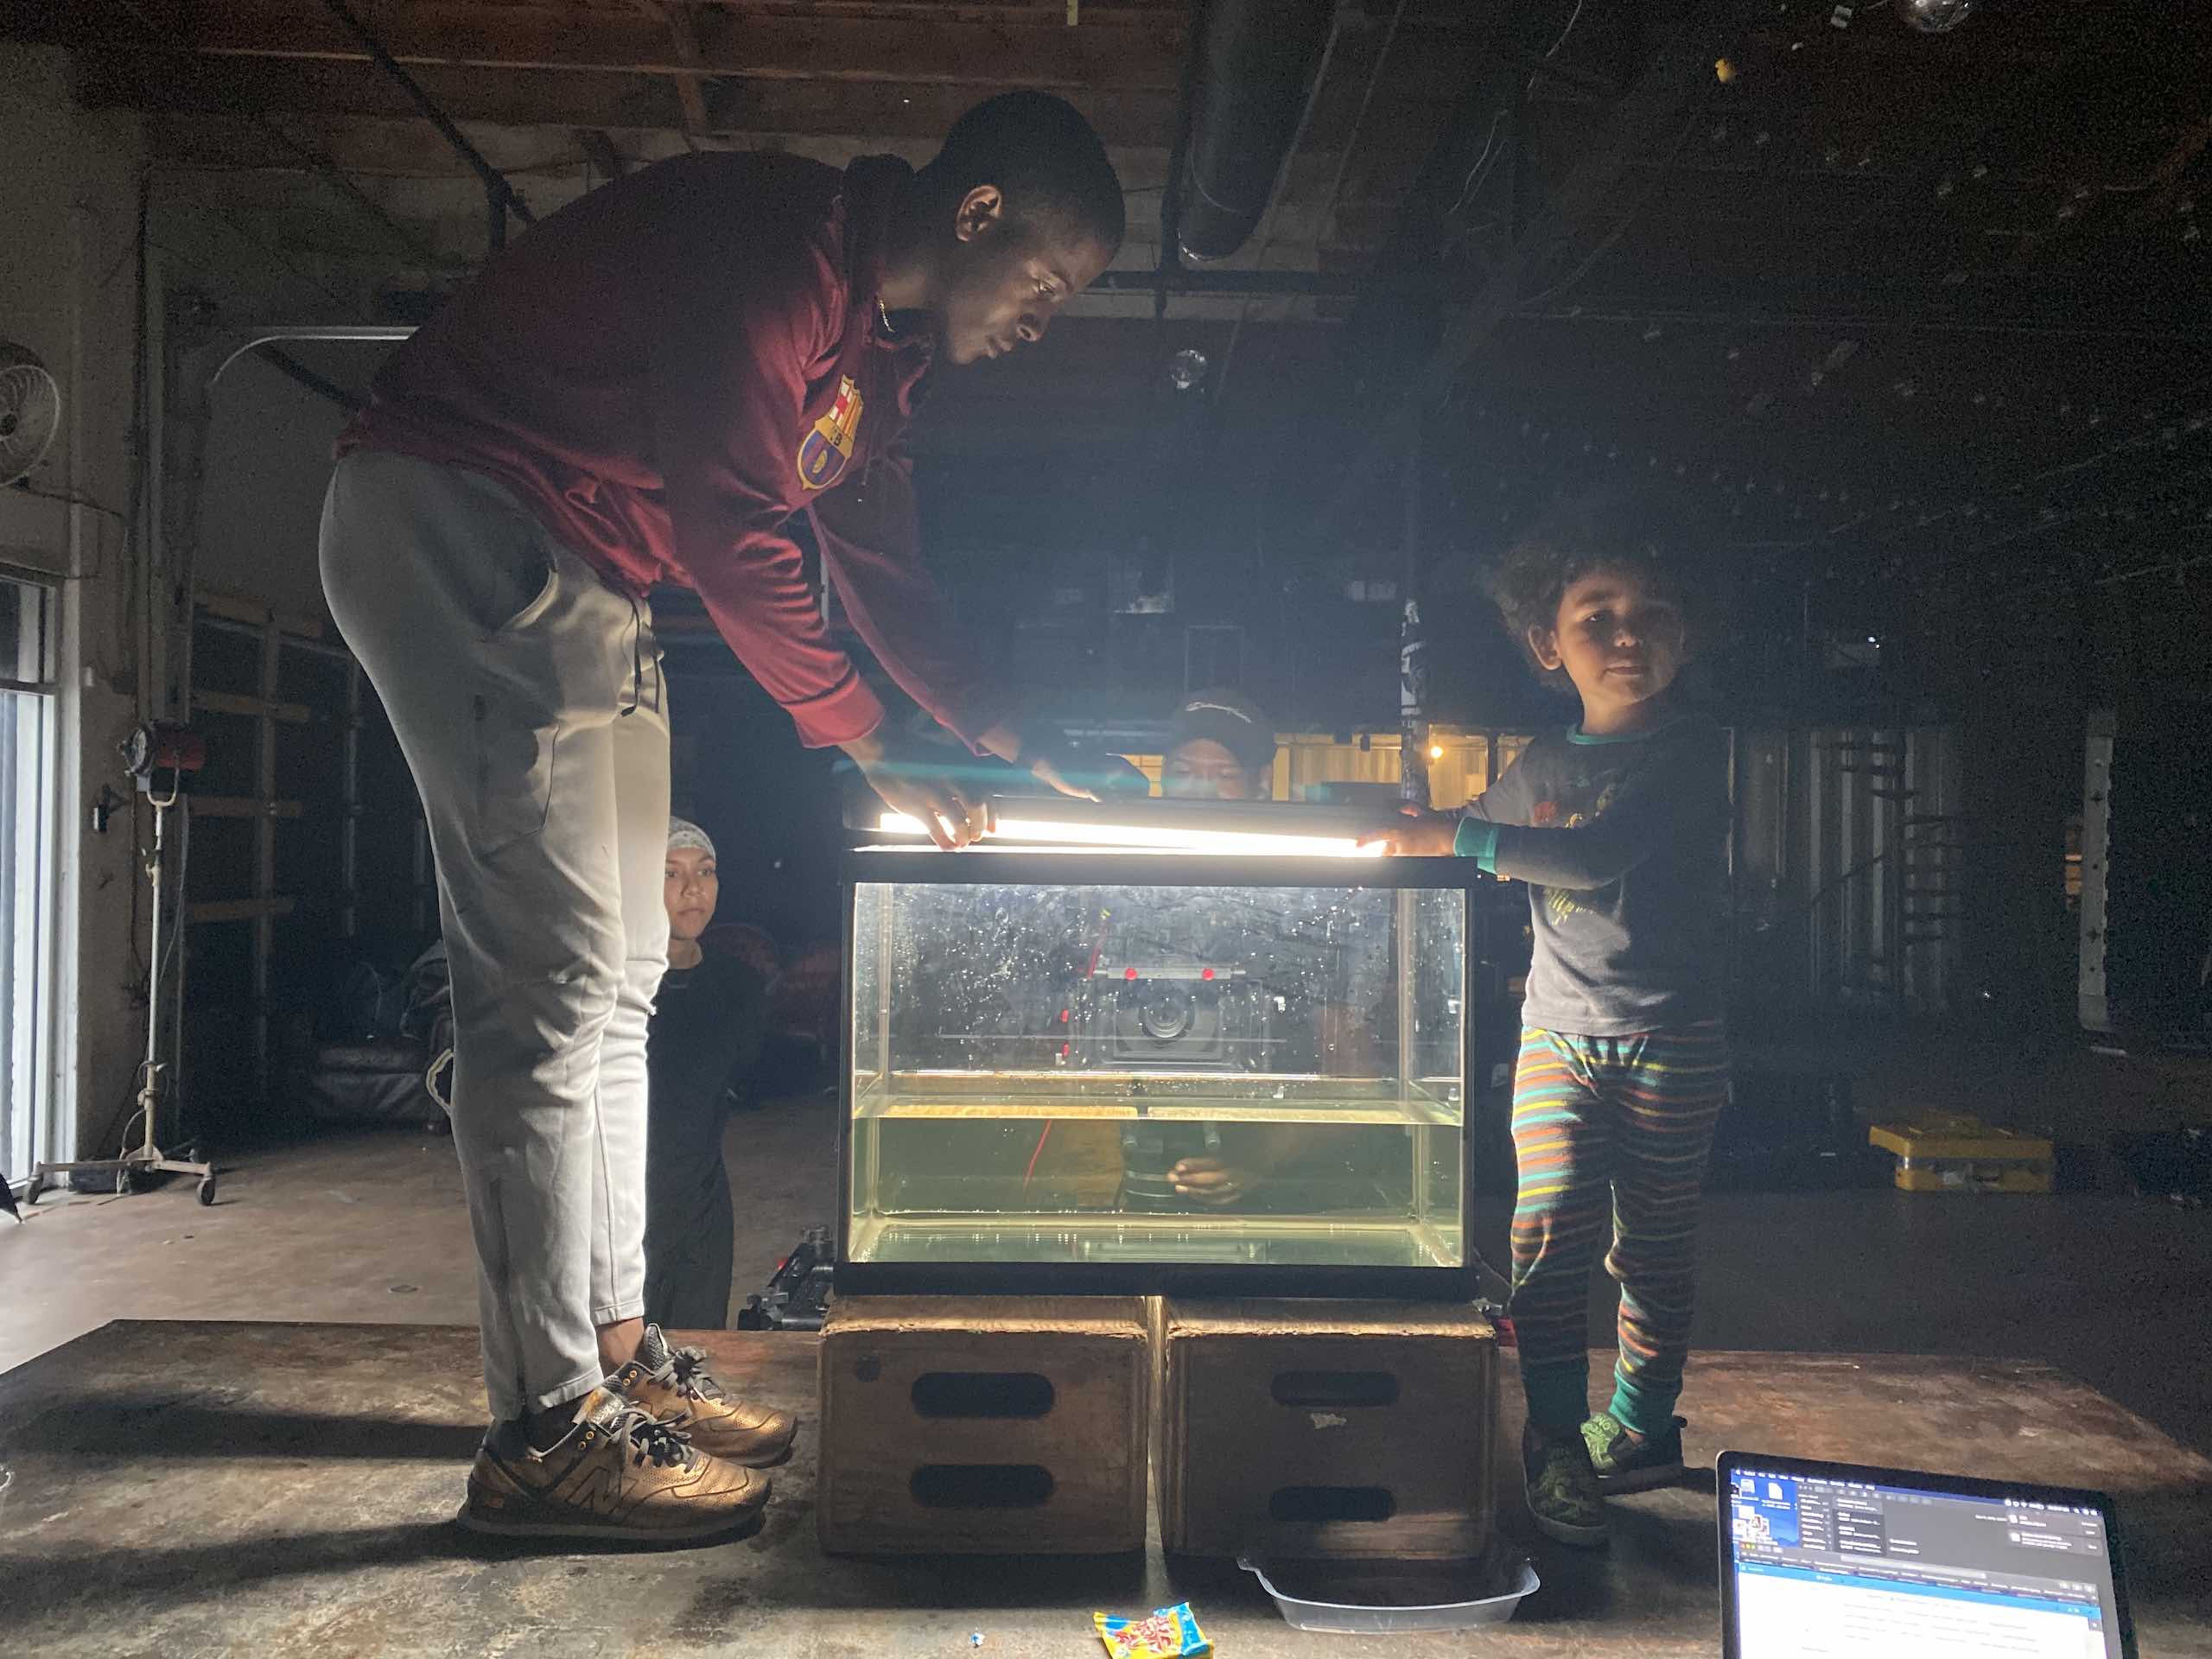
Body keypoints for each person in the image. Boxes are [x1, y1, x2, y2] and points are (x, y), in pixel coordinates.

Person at [319, 91, 1138, 1543]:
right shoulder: (776, 250)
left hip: (585, 566)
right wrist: (870, 743)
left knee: (628, 976)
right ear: (980, 215)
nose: (1045, 321)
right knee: (553, 994)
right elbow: (732, 523)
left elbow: (873, 555)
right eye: (1048, 285)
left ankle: (620, 1360)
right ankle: (545, 1432)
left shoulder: (872, 362)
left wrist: (1012, 736)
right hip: (472, 513)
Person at [1365, 510, 1731, 1549]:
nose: (1626, 634)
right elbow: (1473, 838)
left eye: (1651, 615)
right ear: (1547, 646)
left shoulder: (1690, 752)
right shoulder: (1536, 763)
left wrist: (1456, 833)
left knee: (1653, 1253)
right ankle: (1557, 1435)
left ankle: (1643, 1425)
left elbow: (1585, 858)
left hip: (1671, 1042)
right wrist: (1398, 834)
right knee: (1545, 1229)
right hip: (1557, 1037)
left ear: (1686, 639)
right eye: (1595, 617)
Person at [643, 818, 770, 1332]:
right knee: (615, 1365)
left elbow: (737, 1073)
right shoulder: (614, 988)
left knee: (694, 1349)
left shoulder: (737, 986)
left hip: (701, 1203)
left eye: (706, 870)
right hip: (622, 1205)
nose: (693, 888)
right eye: (670, 873)